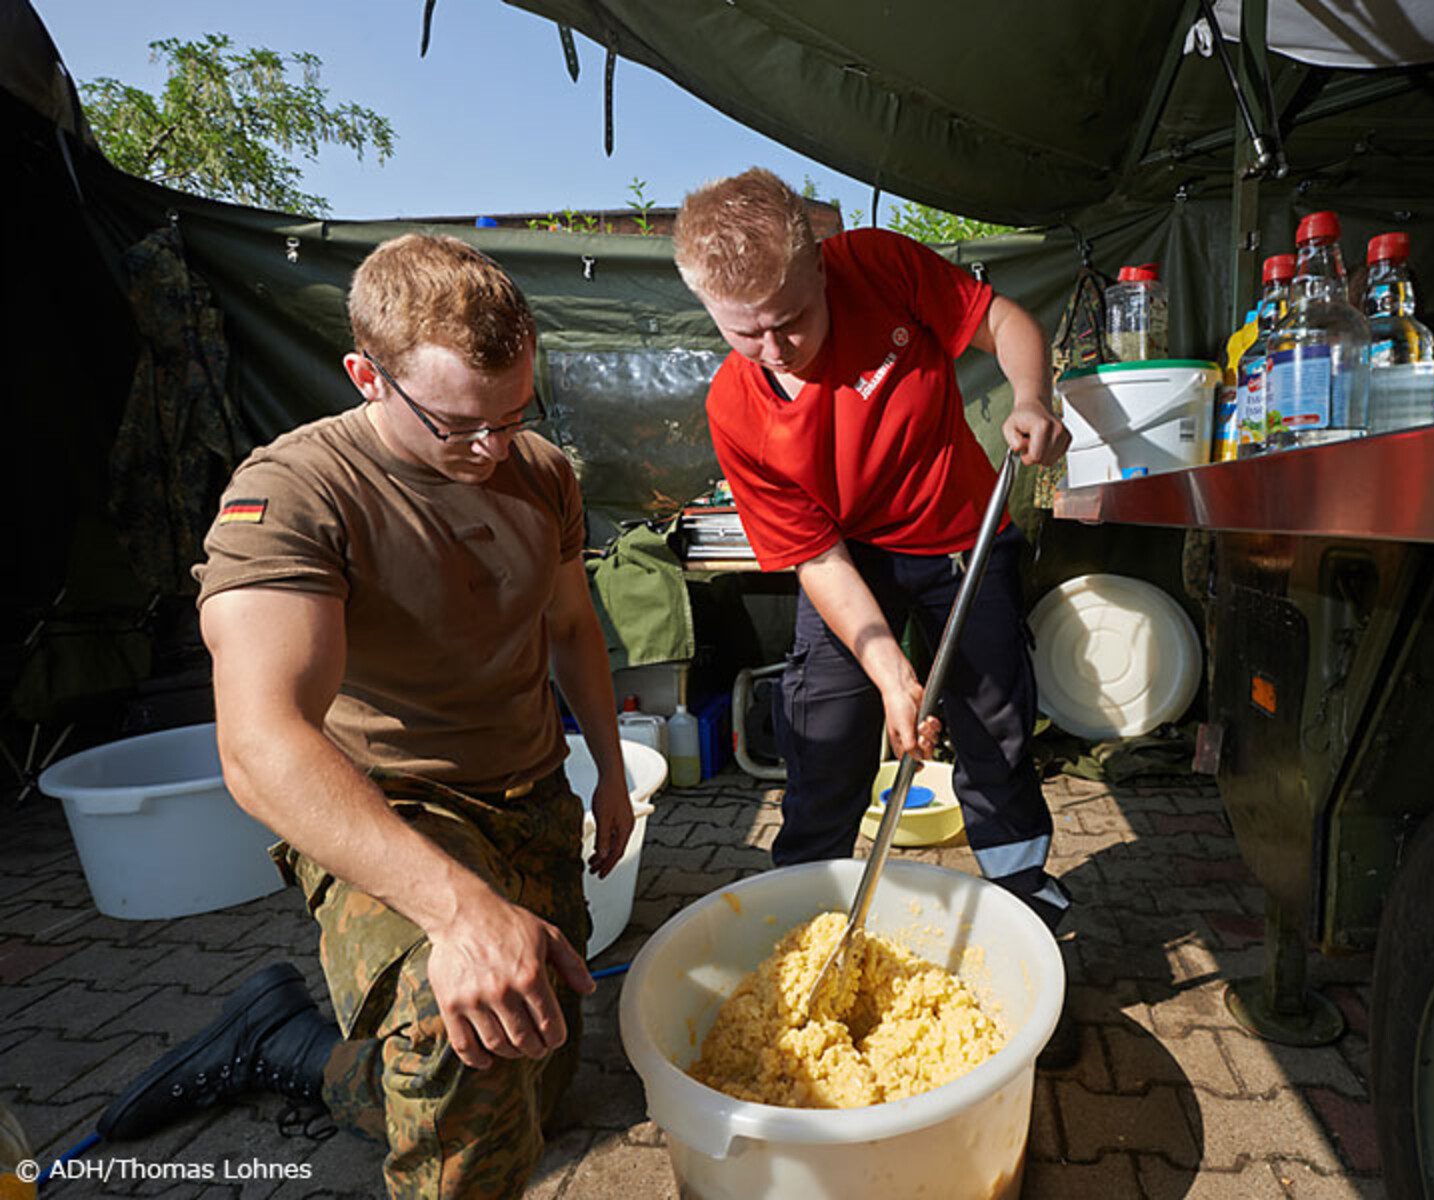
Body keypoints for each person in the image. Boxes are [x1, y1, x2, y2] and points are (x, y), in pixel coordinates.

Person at [96, 233, 634, 1196]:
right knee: (459, 1031)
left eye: (514, 416)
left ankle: (284, 1045)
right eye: (461, 424)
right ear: (367, 376)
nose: (491, 449)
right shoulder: (294, 493)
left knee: (534, 1087)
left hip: (528, 792)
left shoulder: (542, 472)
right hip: (390, 805)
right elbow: (262, 746)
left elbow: (572, 627)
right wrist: (460, 909)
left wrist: (614, 777)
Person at [673, 168, 1079, 1066]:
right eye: (747, 332)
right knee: (824, 738)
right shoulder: (735, 410)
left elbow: (1007, 323)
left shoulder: (882, 266)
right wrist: (892, 674)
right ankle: (806, 947)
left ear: (820, 265)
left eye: (792, 319)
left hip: (964, 538)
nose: (776, 347)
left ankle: (1031, 931)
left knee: (996, 732)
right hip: (851, 561)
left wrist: (1029, 397)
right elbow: (816, 557)